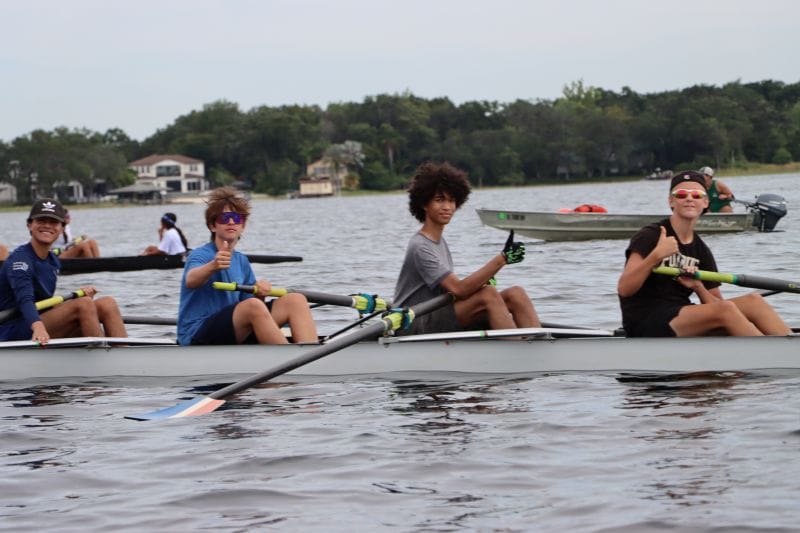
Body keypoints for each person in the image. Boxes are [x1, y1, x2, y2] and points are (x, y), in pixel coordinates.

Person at [617, 171, 790, 337]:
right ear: (671, 201)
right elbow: (624, 289)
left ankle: (788, 351)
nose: (689, 199)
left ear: (705, 202)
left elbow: (716, 303)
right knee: (725, 311)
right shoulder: (651, 235)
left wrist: (698, 287)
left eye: (697, 195)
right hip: (645, 319)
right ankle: (770, 355)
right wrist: (656, 256)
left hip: (682, 313)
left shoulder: (701, 249)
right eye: (682, 194)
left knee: (754, 302)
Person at [393, 161, 540, 335]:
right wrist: (502, 259)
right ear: (425, 204)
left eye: (452, 201)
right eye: (440, 200)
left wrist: (484, 279)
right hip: (413, 323)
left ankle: (537, 347)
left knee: (516, 294)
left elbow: (453, 291)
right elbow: (459, 290)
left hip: (438, 313)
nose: (447, 207)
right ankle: (515, 352)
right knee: (488, 295)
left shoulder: (439, 242)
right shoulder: (420, 246)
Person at [177, 186, 317, 345]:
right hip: (197, 333)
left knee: (295, 300)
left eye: (237, 218)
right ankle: (291, 360)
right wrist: (213, 266)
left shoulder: (241, 261)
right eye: (224, 218)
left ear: (242, 226)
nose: (231, 222)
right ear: (212, 226)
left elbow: (251, 304)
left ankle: (310, 353)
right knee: (253, 306)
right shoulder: (200, 255)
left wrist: (260, 293)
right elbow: (191, 280)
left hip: (233, 329)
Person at [0, 198, 127, 344]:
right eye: (41, 220)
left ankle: (123, 355)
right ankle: (102, 359)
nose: (47, 226)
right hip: (12, 330)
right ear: (30, 225)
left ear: (61, 228)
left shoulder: (52, 260)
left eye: (53, 222)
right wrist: (38, 327)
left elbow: (45, 302)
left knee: (107, 304)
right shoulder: (20, 260)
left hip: (37, 322)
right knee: (83, 305)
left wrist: (74, 297)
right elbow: (25, 300)